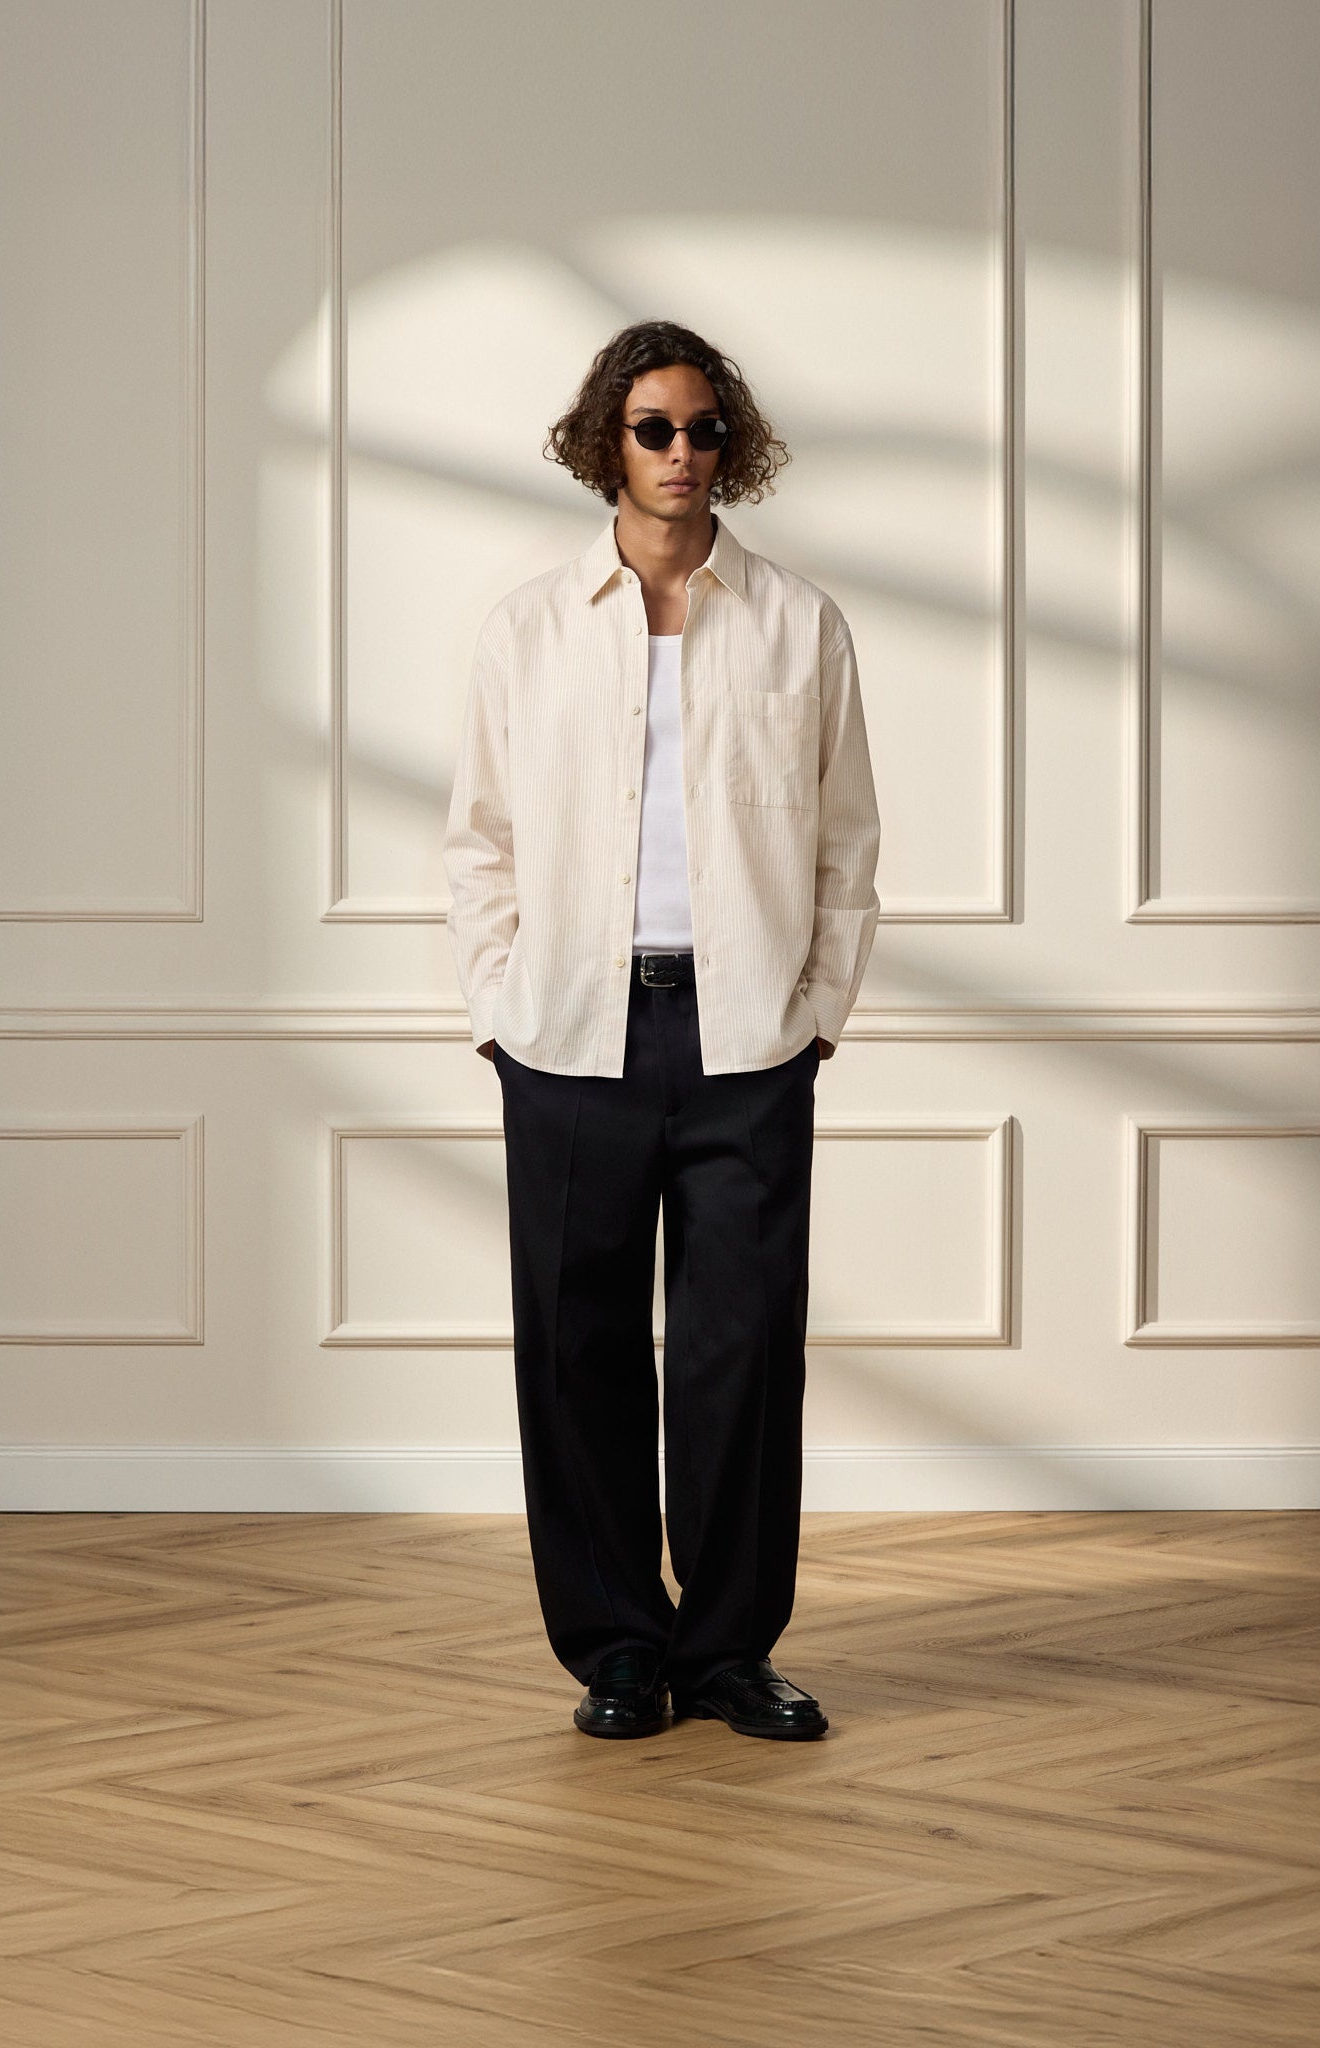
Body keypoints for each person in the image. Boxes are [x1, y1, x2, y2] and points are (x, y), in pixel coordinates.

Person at [442, 319, 880, 1740]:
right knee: (576, 1351)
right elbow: (480, 840)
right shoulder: (527, 630)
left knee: (739, 1353)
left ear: (729, 444)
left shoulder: (802, 625)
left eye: (702, 429)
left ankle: (732, 1649)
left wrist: (817, 1015)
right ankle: (619, 1650)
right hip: (571, 1036)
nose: (681, 453)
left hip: (748, 1039)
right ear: (607, 445)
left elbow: (847, 841)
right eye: (653, 429)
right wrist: (499, 1007)